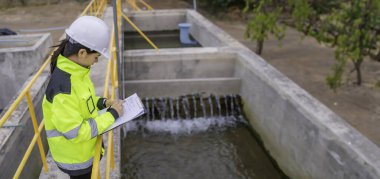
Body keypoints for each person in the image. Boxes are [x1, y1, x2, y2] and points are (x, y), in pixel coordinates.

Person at [42, 16, 123, 179]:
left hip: (83, 151)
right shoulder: (63, 88)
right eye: (96, 56)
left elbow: (84, 102)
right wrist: (112, 115)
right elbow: (77, 133)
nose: (97, 61)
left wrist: (104, 103)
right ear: (82, 53)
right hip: (76, 160)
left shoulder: (76, 72)